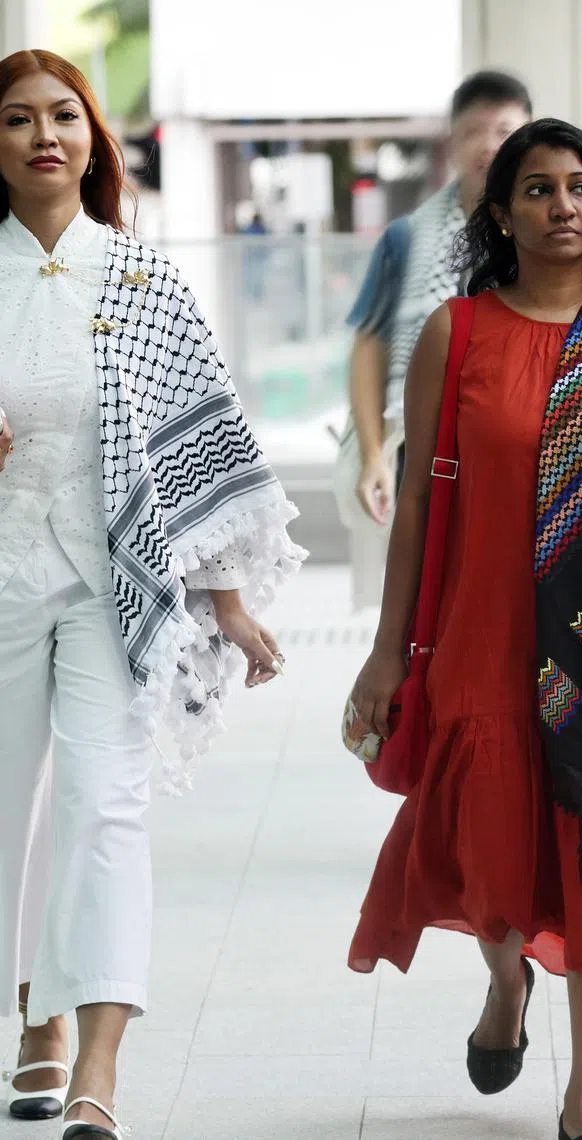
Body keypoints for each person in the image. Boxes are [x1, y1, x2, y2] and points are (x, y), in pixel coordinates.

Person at [346, 118, 582, 1140]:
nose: (562, 207)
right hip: (488, 642)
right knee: (496, 855)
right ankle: (508, 977)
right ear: (502, 213)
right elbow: (424, 507)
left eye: (580, 188)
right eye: (537, 190)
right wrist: (389, 652)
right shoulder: (456, 333)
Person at [0, 50, 304, 1138]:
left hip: (107, 585)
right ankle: (28, 1014)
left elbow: (199, 449)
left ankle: (96, 1065)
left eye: (64, 115)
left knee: (102, 808)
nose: (44, 134)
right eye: (18, 118)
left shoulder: (142, 281)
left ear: (93, 138)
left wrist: (226, 599)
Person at [339, 70, 531, 610]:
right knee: (428, 600)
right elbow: (369, 345)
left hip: (521, 451)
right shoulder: (406, 238)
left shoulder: (550, 231)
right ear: (452, 143)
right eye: (474, 131)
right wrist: (374, 455)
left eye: (505, 129)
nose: (490, 145)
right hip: (427, 452)